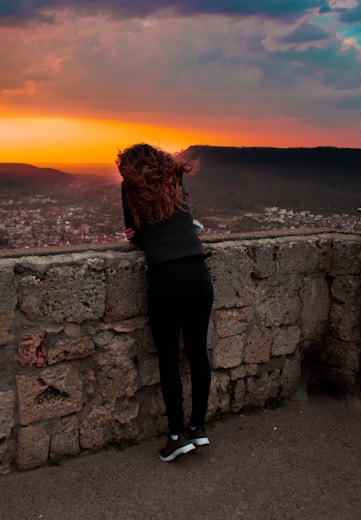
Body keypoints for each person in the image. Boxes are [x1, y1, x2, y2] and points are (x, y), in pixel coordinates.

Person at [117, 143, 214, 462]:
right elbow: (181, 223)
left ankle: (176, 436)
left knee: (170, 359)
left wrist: (135, 236)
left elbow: (140, 235)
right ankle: (197, 427)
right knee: (198, 353)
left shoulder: (129, 188)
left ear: (128, 169)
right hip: (199, 273)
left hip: (167, 277)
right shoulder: (175, 178)